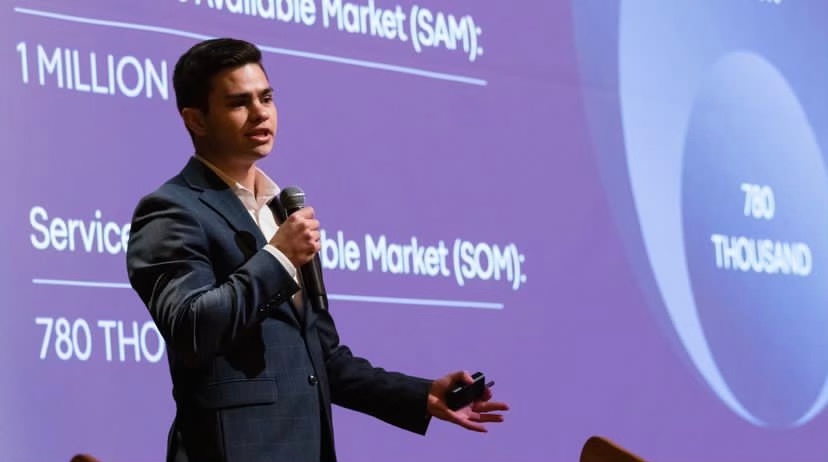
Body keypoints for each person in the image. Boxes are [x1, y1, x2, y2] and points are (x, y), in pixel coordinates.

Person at [125, 37, 508, 462]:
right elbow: (191, 328)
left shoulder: (282, 211)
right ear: (196, 120)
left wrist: (422, 395)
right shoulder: (172, 210)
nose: (260, 113)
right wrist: (277, 258)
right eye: (239, 103)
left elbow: (323, 359)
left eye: (266, 97)